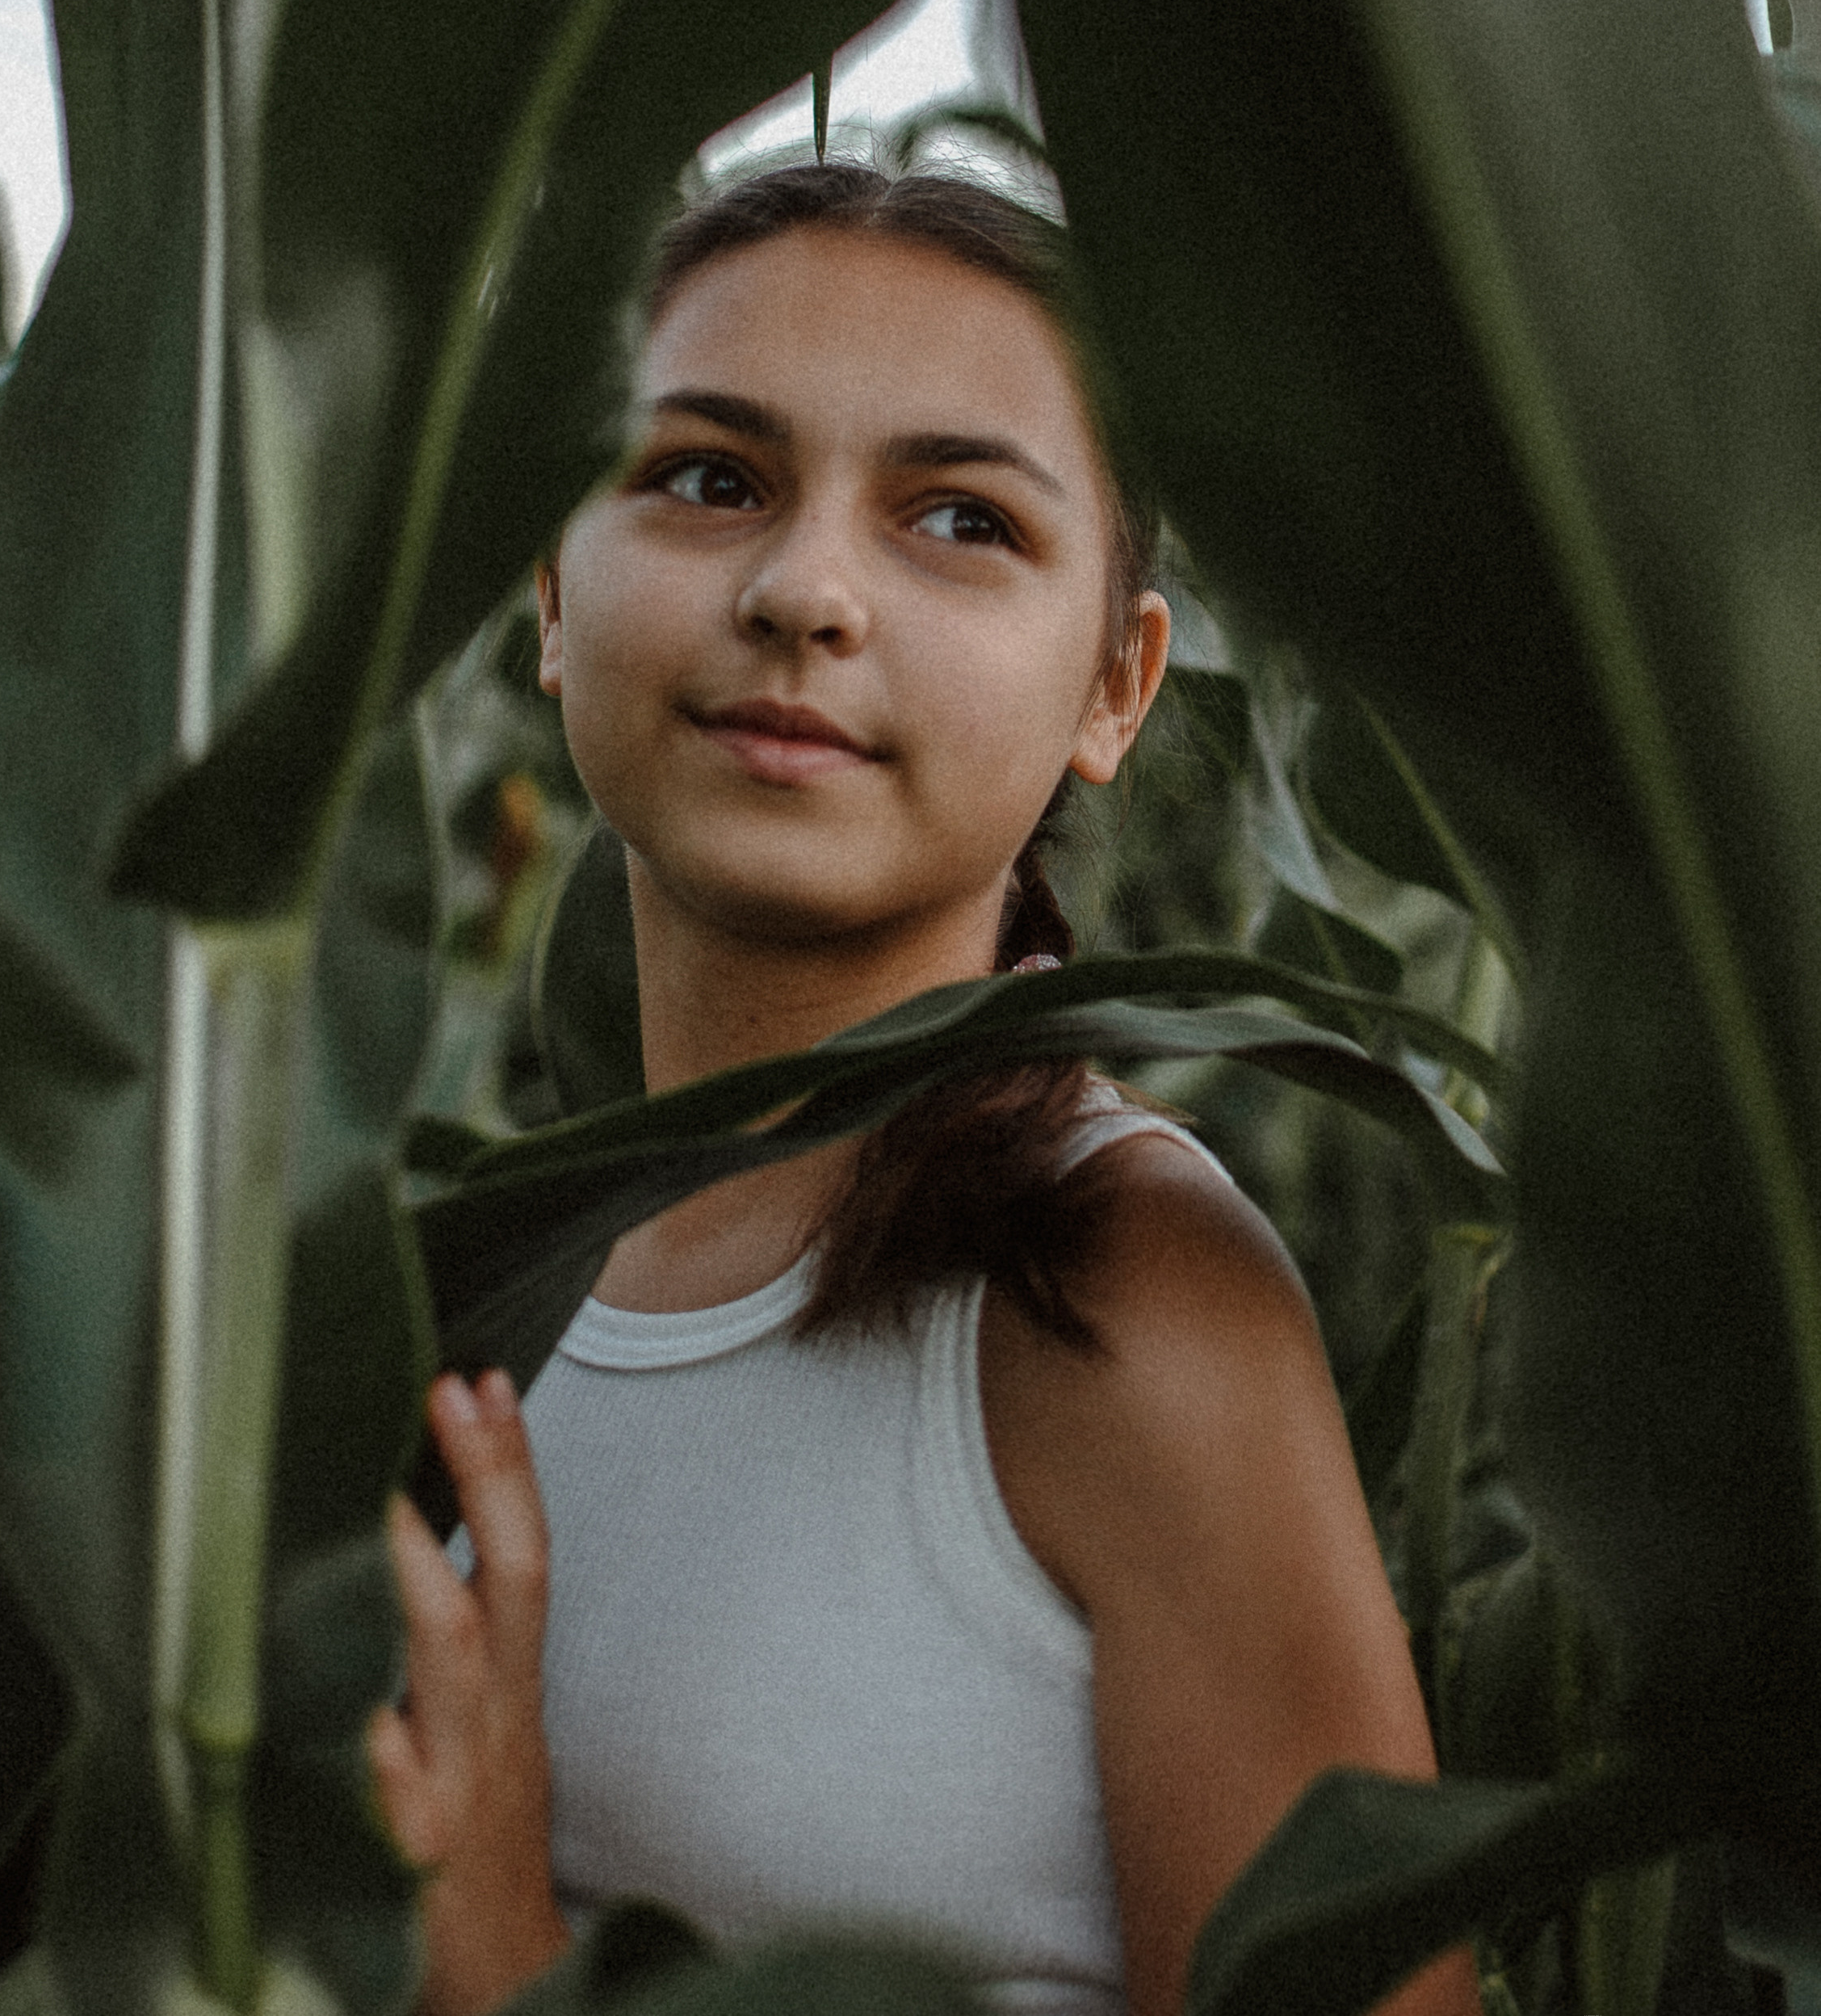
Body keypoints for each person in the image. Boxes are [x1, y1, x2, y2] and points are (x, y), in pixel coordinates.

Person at [367, 163, 1479, 2016]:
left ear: (1115, 690)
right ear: (555, 592)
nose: (805, 590)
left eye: (958, 516)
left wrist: (502, 1969)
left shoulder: (1122, 1300)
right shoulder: (476, 1303)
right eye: (710, 476)